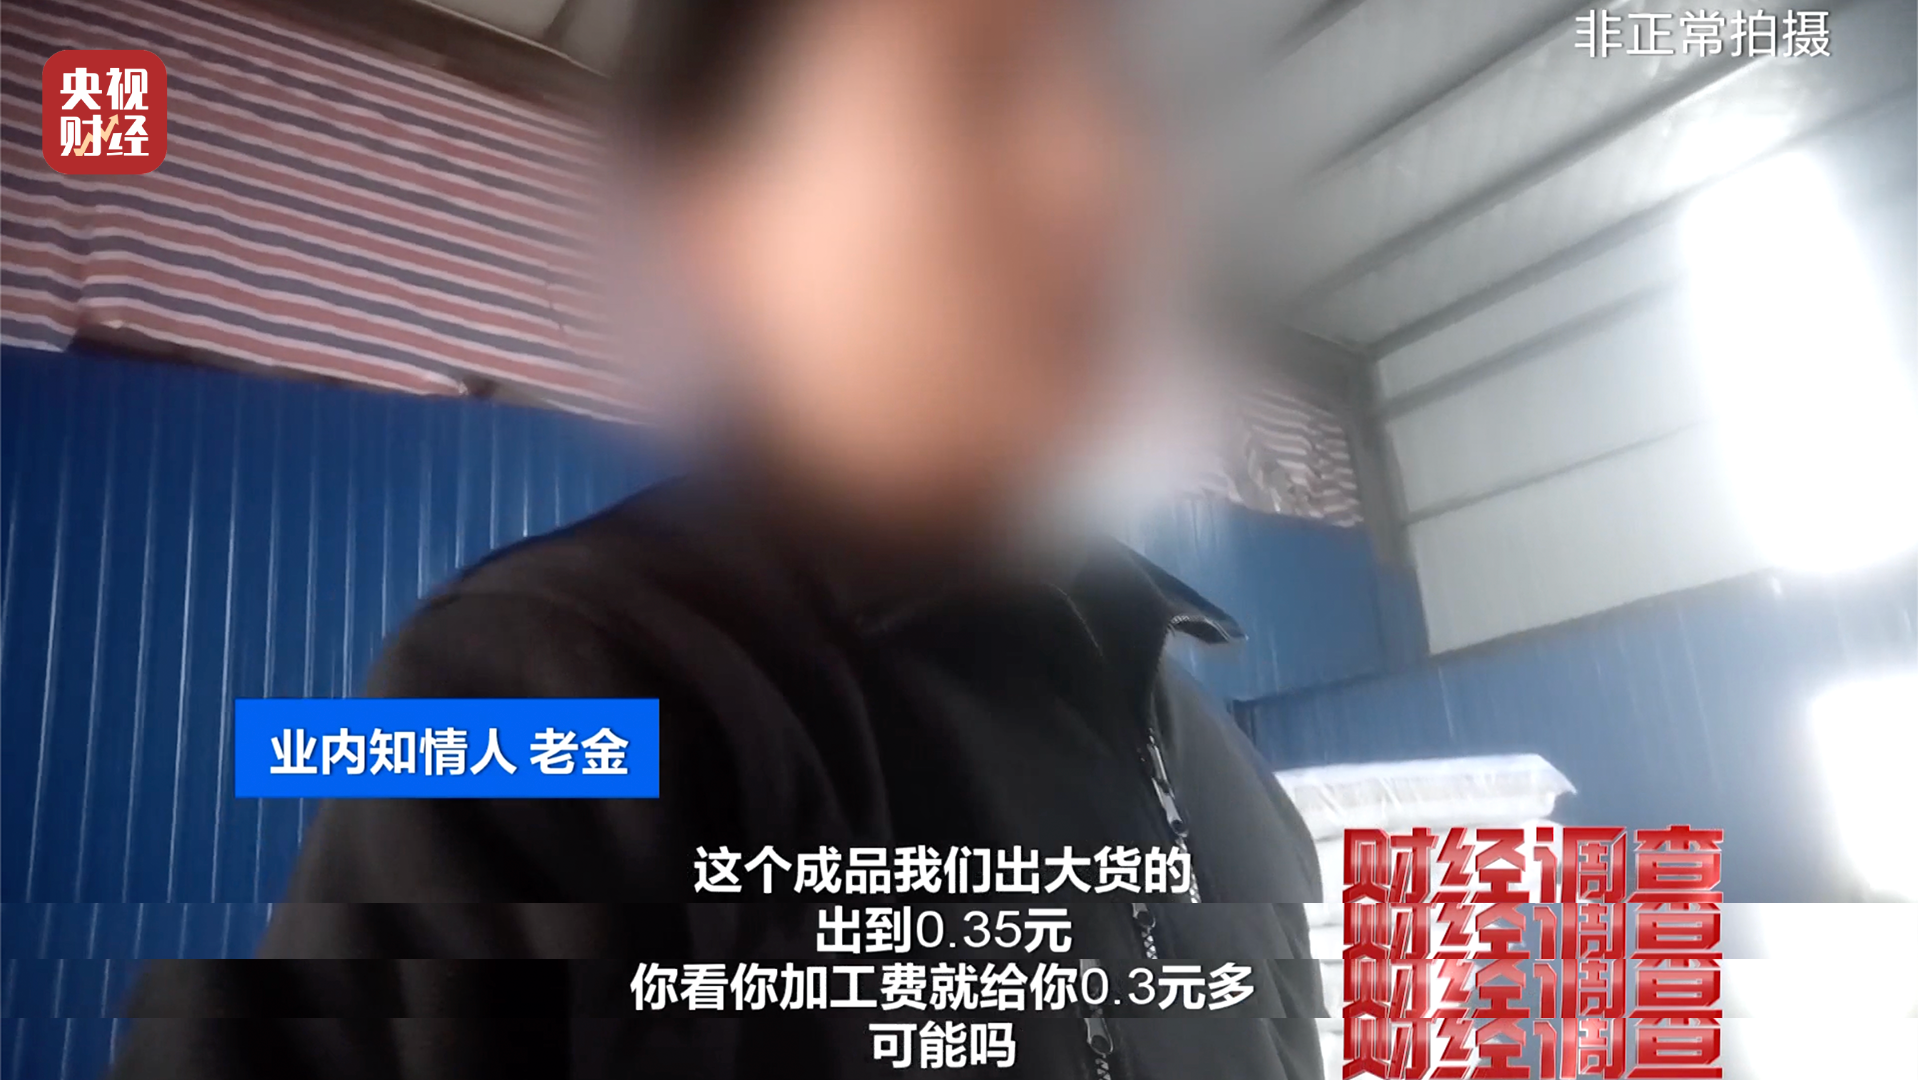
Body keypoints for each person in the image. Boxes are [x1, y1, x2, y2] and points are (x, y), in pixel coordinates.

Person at [112, 1, 1325, 1077]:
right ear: (729, 222)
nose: (1095, 178)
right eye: (975, 90)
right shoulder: (541, 686)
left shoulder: (1233, 784)